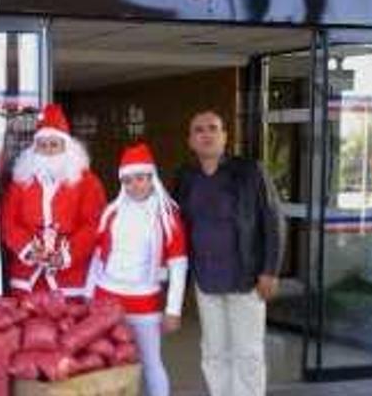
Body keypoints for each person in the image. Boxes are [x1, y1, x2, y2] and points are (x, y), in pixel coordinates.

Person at [174, 110, 283, 396]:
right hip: (206, 280)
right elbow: (178, 226)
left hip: (245, 278)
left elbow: (273, 220)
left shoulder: (250, 171)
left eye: (213, 128)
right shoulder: (186, 177)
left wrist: (270, 270)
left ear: (225, 136)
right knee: (214, 352)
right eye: (199, 130)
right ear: (190, 141)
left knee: (248, 353)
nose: (206, 134)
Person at [89, 141, 188, 396]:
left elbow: (179, 265)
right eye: (129, 180)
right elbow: (98, 258)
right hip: (106, 299)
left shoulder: (167, 214)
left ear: (151, 177)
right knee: (107, 364)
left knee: (151, 362)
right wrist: (88, 299)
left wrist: (173, 309)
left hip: (145, 302)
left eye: (141, 178)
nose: (135, 185)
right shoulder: (111, 212)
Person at [0, 103, 107, 298]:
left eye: (54, 144)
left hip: (71, 278)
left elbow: (94, 224)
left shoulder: (88, 183)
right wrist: (29, 249)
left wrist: (66, 255)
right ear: (35, 148)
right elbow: (8, 222)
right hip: (27, 278)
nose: (48, 150)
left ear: (67, 147)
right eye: (42, 145)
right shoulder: (21, 180)